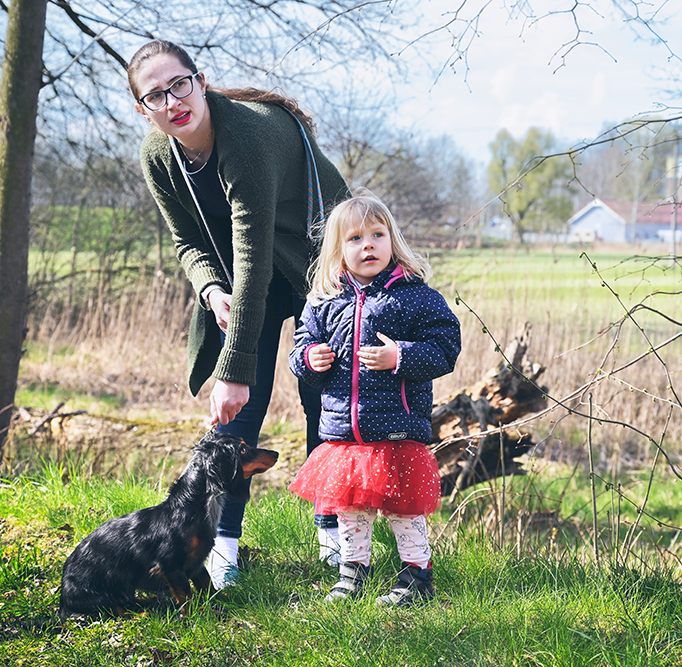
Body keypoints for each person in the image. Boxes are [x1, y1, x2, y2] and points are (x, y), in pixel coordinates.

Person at [128, 39, 349, 588]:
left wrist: (234, 369)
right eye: (155, 96)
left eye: (180, 84)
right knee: (234, 419)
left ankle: (334, 538)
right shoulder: (160, 155)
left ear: (200, 80)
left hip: (312, 254)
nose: (173, 101)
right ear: (144, 109)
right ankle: (221, 548)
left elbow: (254, 254)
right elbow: (187, 243)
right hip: (246, 271)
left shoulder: (245, 136)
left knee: (322, 391)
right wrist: (209, 291)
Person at [287, 194, 461, 607]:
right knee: (350, 512)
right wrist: (311, 359)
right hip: (344, 434)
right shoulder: (325, 301)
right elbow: (300, 347)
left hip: (396, 428)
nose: (368, 245)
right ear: (338, 250)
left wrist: (399, 356)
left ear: (392, 240)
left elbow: (445, 347)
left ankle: (418, 576)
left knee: (404, 509)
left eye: (377, 235)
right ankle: (352, 574)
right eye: (355, 238)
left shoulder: (415, 297)